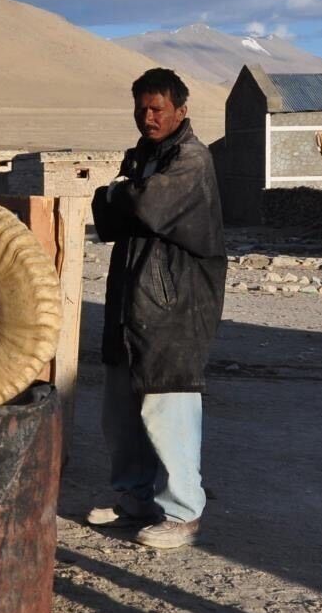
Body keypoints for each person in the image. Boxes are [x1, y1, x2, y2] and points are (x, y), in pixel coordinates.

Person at [85, 67, 226, 549]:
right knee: (121, 411)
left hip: (174, 308)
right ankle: (135, 500)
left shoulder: (191, 160)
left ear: (181, 110)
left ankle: (183, 513)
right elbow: (108, 216)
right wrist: (120, 196)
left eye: (157, 109)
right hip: (133, 303)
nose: (148, 117)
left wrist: (119, 194)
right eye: (141, 108)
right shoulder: (144, 158)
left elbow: (148, 205)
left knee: (169, 408)